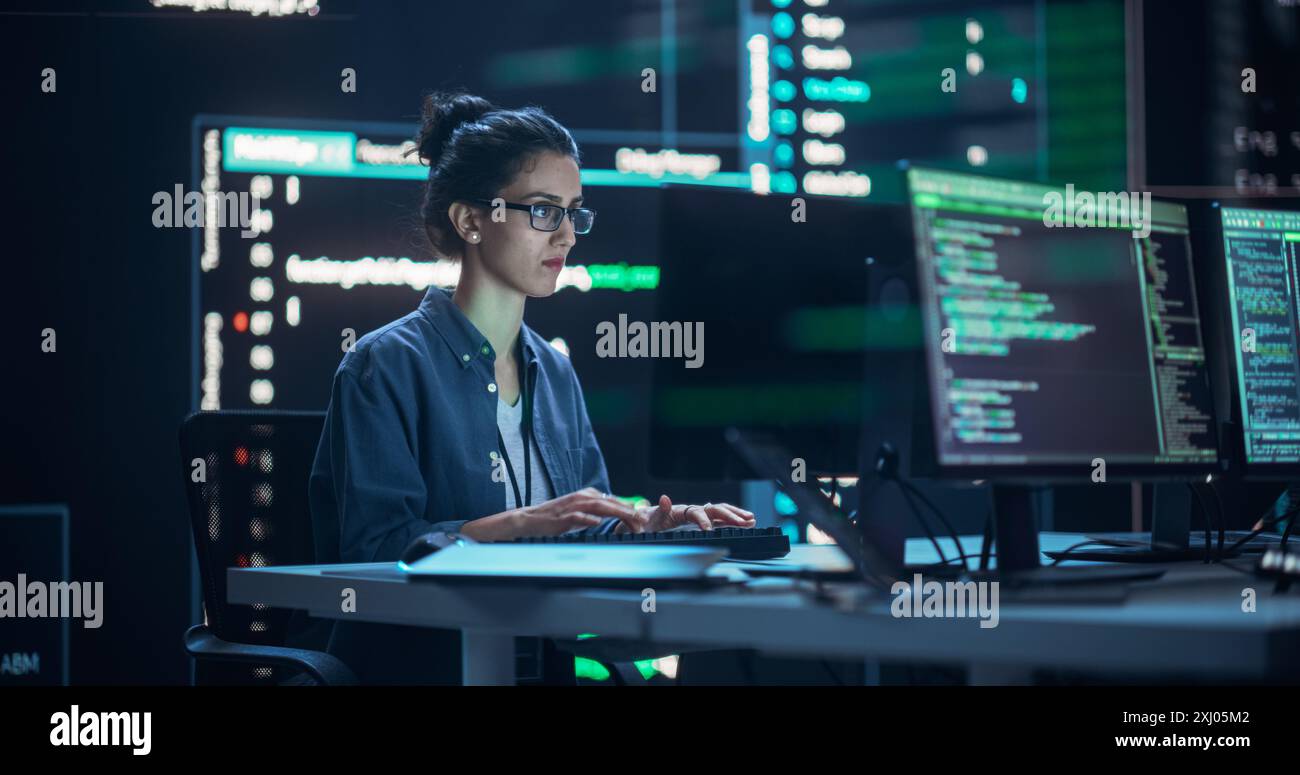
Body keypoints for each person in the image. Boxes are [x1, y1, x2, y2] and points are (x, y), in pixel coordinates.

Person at [308, 90, 754, 684]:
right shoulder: (382, 366)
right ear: (471, 220)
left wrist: (640, 527)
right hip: (426, 668)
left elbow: (580, 522)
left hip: (538, 663)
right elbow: (376, 553)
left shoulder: (556, 371)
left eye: (574, 212)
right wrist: (520, 524)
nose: (567, 236)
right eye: (544, 211)